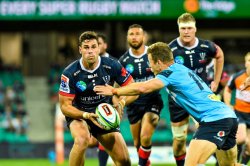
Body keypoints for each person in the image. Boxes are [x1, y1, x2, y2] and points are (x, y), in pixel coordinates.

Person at [94, 42, 240, 166]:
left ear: (158, 62)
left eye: (150, 63)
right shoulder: (181, 69)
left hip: (214, 121)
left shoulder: (170, 73)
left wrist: (115, 91)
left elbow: (143, 87)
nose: (150, 68)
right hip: (228, 117)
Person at [58, 31, 134, 166]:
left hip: (103, 114)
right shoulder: (69, 73)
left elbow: (132, 87)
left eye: (94, 47)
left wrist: (121, 103)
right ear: (80, 49)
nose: (90, 51)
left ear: (99, 48)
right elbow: (65, 106)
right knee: (82, 140)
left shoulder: (111, 65)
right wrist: (86, 115)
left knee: (124, 161)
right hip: (79, 114)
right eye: (86, 48)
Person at [168, 12, 224, 166]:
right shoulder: (170, 49)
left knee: (208, 130)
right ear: (179, 29)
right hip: (178, 99)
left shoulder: (206, 46)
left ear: (195, 29)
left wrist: (216, 81)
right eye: (183, 28)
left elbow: (219, 55)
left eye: (189, 28)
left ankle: (209, 162)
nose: (186, 31)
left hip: (201, 97)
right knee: (179, 140)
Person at [118, 24, 163, 166]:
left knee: (145, 136)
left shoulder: (154, 55)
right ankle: (145, 162)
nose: (135, 37)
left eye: (138, 33)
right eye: (131, 34)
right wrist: (118, 103)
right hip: (133, 104)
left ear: (144, 37)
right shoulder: (123, 61)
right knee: (138, 143)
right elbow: (117, 87)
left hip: (152, 100)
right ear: (127, 38)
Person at [223, 52, 250, 164]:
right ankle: (233, 161)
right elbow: (227, 90)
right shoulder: (237, 76)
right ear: (245, 62)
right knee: (241, 138)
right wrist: (229, 105)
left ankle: (242, 164)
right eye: (249, 60)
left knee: (249, 146)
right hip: (240, 113)